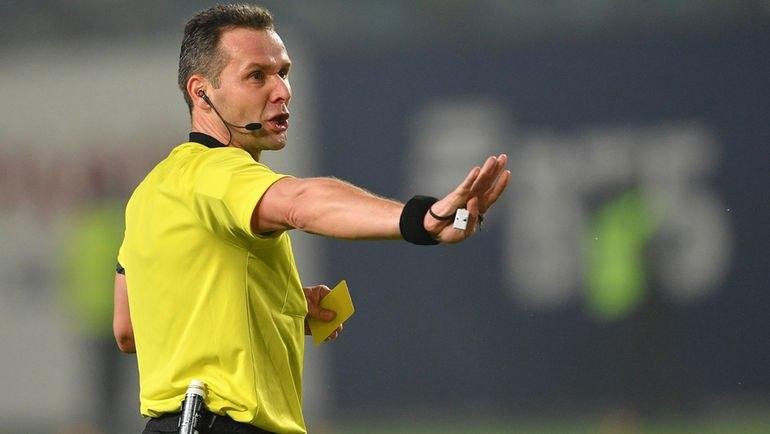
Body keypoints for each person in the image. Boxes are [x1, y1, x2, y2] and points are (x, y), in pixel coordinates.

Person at [113, 4, 510, 434]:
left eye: (283, 72)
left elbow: (128, 329)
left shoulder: (150, 192)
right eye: (256, 76)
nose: (281, 91)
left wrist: (274, 306)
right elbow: (301, 202)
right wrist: (421, 219)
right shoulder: (215, 173)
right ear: (201, 91)